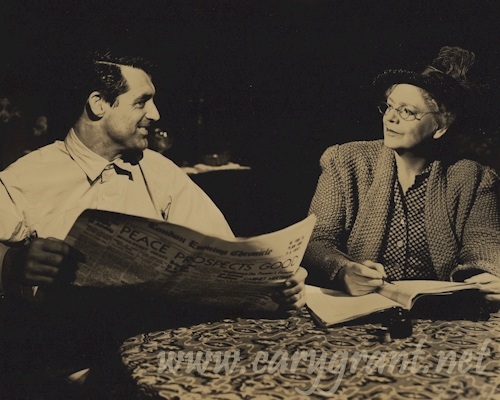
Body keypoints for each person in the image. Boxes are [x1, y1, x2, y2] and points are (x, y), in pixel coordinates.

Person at [0, 51, 307, 397]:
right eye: (142, 101)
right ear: (99, 104)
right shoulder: (24, 178)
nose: (156, 114)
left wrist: (272, 283)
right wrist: (12, 263)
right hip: (75, 365)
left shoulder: (161, 171)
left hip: (167, 354)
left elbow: (224, 254)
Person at [303, 46, 500, 305]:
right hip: (359, 308)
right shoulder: (345, 161)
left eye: (407, 111)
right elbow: (316, 240)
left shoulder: (474, 178)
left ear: (440, 126)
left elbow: (484, 242)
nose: (390, 119)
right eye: (389, 107)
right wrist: (341, 270)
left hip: (437, 313)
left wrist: (486, 273)